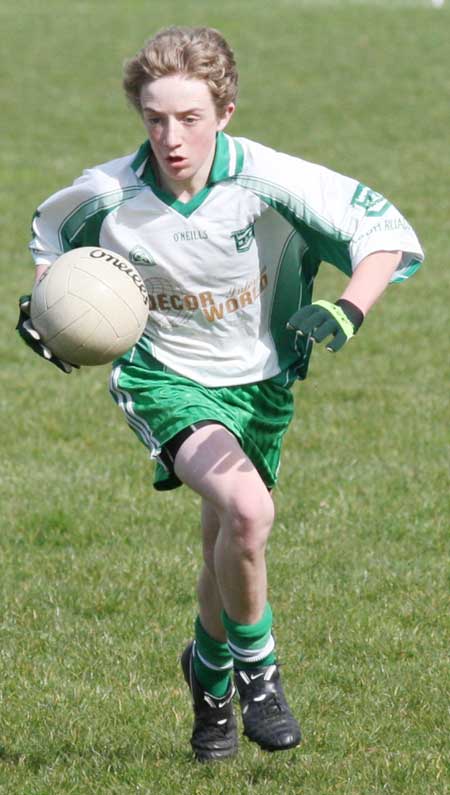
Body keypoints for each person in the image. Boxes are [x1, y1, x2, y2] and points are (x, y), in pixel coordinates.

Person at [17, 26, 424, 762]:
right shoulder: (110, 193)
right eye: (155, 118)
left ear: (226, 110)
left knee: (227, 542)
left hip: (261, 381)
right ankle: (258, 676)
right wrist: (53, 310)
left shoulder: (267, 179)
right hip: (164, 378)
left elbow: (382, 232)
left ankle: (206, 679)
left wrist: (348, 307)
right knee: (247, 509)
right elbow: (52, 242)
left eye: (190, 118)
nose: (172, 137)